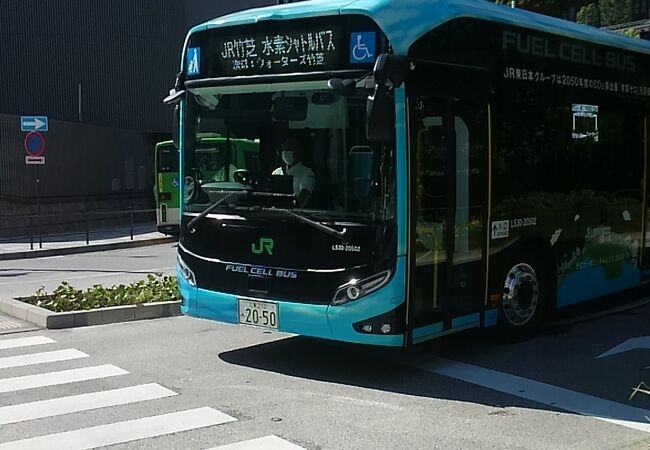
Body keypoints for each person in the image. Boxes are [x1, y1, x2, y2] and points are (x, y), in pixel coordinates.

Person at [272, 137, 316, 207]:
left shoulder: (307, 173)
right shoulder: (277, 172)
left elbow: (304, 194)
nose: (286, 152)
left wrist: (293, 206)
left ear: (299, 152)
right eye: (285, 149)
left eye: (290, 149)